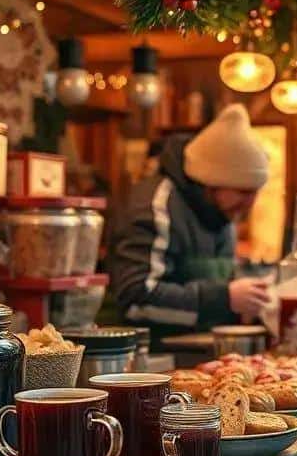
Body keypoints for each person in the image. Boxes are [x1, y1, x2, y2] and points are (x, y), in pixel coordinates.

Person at [110, 104, 271, 346]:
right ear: (209, 183)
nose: (250, 203)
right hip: (145, 363)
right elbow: (136, 299)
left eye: (255, 192)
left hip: (200, 355)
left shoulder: (223, 214)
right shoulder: (156, 205)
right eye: (243, 192)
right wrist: (224, 299)